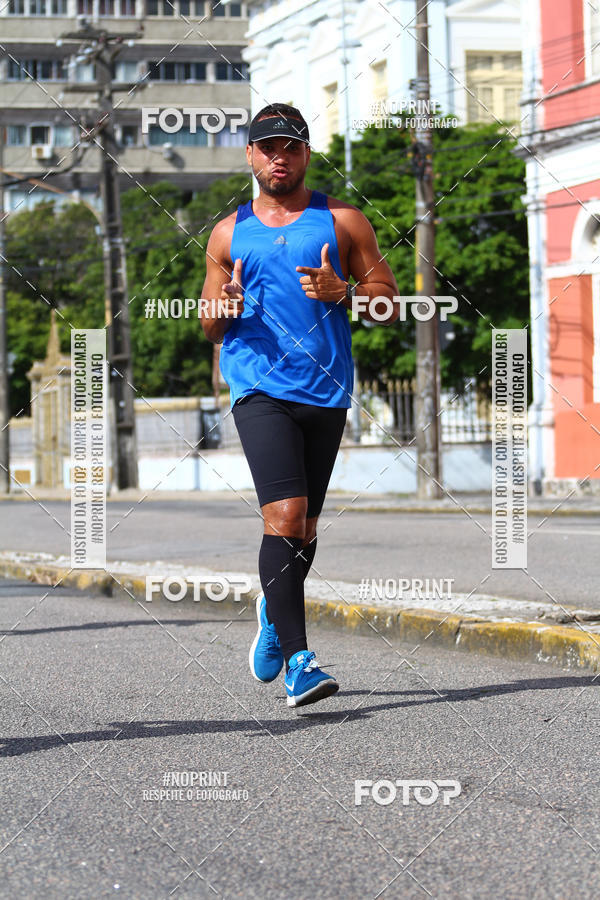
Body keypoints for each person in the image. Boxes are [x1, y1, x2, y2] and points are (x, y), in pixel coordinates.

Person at [201, 103, 399, 707]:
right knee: (284, 515)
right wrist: (222, 309)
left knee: (305, 526)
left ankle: (271, 606)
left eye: (289, 147)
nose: (278, 157)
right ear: (250, 156)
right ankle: (300, 661)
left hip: (326, 389)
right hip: (259, 387)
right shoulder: (228, 232)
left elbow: (388, 302)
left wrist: (348, 293)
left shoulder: (343, 221)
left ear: (306, 154)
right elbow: (208, 325)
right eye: (267, 147)